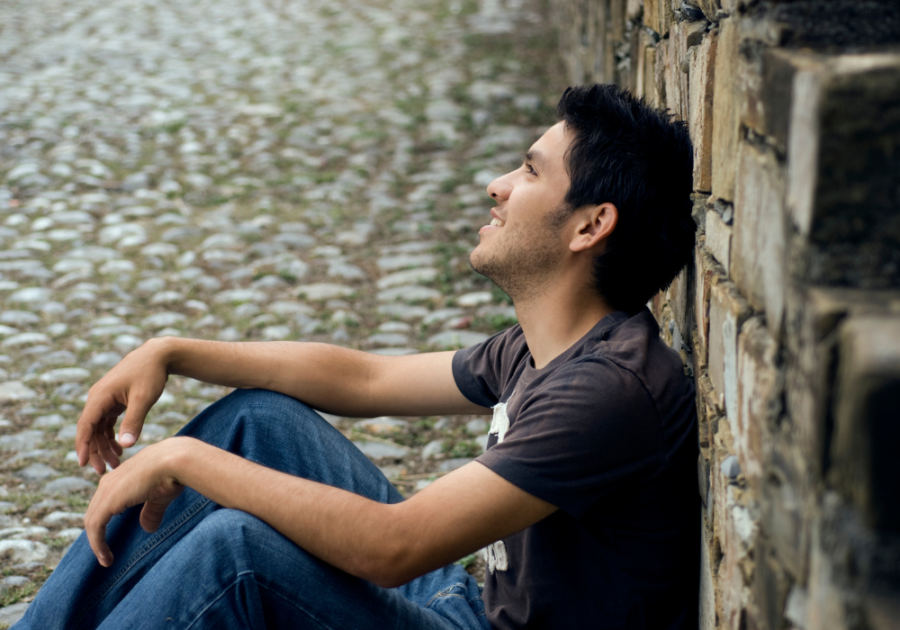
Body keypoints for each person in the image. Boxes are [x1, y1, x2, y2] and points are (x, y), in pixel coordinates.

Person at [14, 84, 699, 630]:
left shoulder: (609, 391)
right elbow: (363, 378)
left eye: (528, 170)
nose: (497, 185)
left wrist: (180, 458)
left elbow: (394, 547)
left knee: (239, 554)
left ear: (590, 225)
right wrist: (170, 351)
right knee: (259, 422)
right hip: (473, 607)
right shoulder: (545, 348)